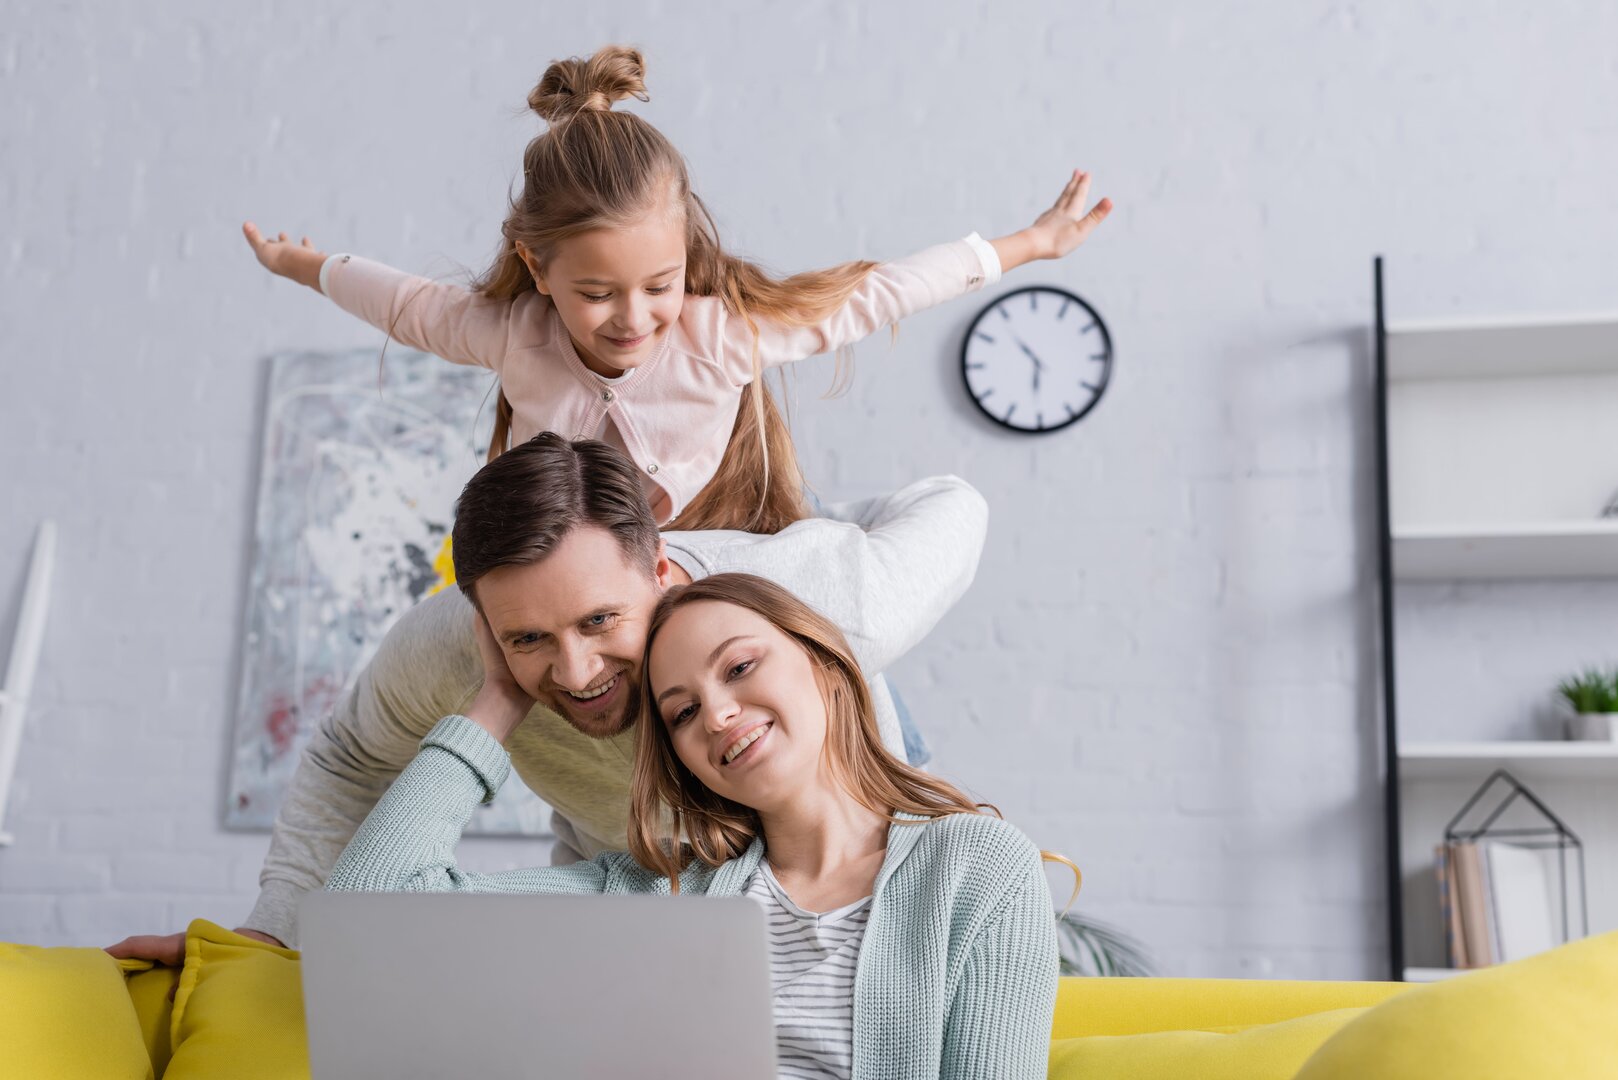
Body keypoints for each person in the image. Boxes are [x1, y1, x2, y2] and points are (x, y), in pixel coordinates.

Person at [109, 433, 988, 960]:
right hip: (640, 880)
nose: (574, 673)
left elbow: (953, 502)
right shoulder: (451, 650)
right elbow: (349, 764)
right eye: (527, 637)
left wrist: (820, 523)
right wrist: (273, 931)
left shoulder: (814, 599)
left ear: (660, 569)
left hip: (845, 861)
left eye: (601, 620)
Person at [242, 44, 1113, 535]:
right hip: (597, 556)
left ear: (683, 255)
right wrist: (302, 266)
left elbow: (876, 295)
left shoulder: (717, 334)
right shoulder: (514, 334)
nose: (634, 318)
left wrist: (1029, 244)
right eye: (597, 293)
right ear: (538, 269)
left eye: (657, 285)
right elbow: (404, 305)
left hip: (729, 532)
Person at [328, 572, 1062, 1080]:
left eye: (739, 667)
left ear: (824, 664)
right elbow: (371, 908)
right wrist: (496, 698)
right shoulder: (657, 893)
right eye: (681, 711)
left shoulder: (976, 868)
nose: (716, 713)